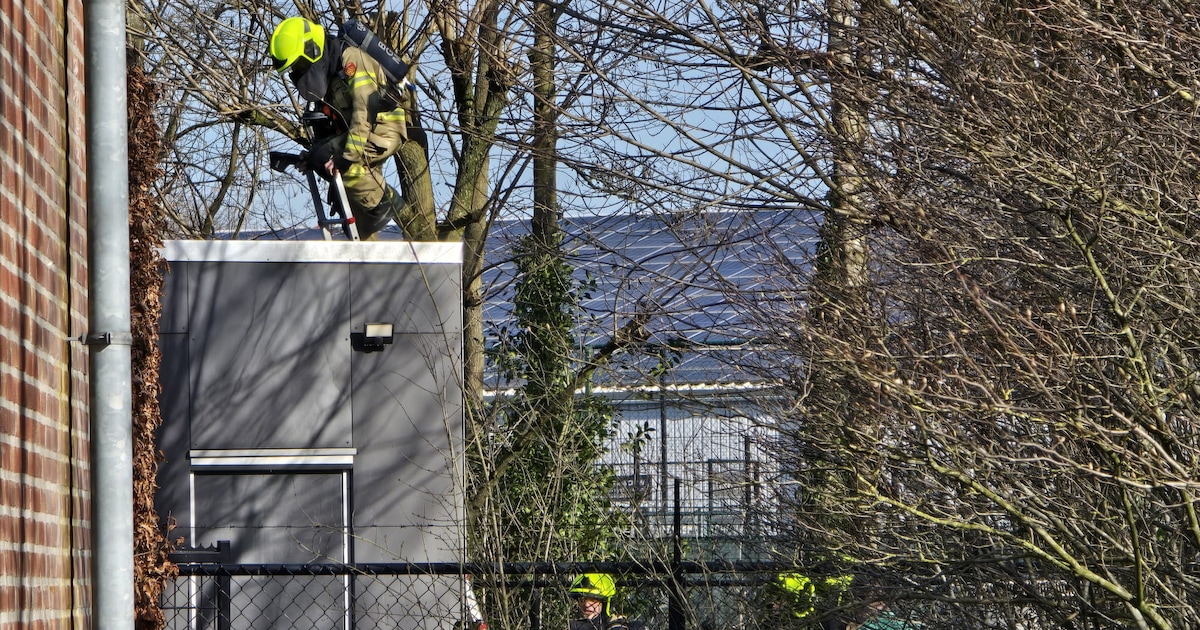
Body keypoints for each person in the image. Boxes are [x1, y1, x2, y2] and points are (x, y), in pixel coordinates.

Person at [267, 16, 409, 240]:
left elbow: (364, 114)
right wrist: (312, 155)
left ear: (312, 49)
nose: (298, 72)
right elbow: (330, 123)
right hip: (361, 133)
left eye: (299, 64)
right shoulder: (329, 71)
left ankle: (385, 201)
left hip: (383, 129)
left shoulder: (351, 61)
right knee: (326, 164)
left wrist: (343, 157)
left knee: (330, 158)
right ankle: (364, 233)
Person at [568, 573, 644, 630]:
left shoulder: (619, 626)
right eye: (582, 599)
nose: (587, 604)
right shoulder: (571, 626)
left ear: (605, 603)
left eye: (593, 599)